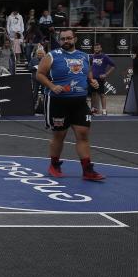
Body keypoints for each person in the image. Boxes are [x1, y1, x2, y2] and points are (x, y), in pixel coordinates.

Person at [35, 28, 105, 182]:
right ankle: (54, 165)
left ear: (75, 39)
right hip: (58, 102)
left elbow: (87, 73)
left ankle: (87, 170)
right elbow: (39, 74)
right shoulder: (52, 55)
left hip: (79, 102)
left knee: (83, 134)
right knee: (59, 134)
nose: (66, 41)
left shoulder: (85, 57)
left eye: (69, 38)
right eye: (63, 39)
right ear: (59, 41)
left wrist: (91, 81)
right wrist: (52, 86)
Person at [89, 43, 115, 116]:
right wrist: (90, 77)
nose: (96, 49)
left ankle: (104, 110)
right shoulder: (92, 57)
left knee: (102, 94)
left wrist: (106, 74)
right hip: (93, 79)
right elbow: (90, 68)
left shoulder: (105, 57)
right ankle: (93, 109)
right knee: (93, 94)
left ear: (101, 49)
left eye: (98, 48)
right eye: (95, 48)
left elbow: (113, 66)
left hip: (100, 79)